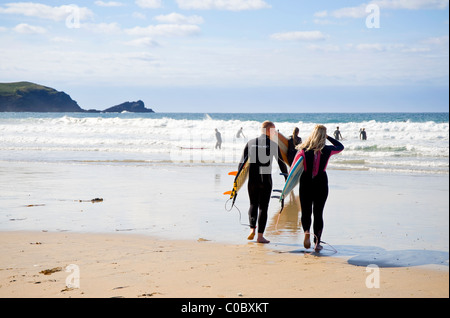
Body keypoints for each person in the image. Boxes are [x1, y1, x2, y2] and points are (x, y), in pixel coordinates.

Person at [238, 121, 288, 243]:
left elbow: (241, 164)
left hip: (253, 180)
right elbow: (281, 164)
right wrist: (287, 179)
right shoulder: (273, 144)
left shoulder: (250, 143)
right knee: (263, 207)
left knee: (253, 204)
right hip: (266, 180)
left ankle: (252, 229)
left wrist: (237, 181)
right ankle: (260, 236)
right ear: (268, 131)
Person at [296, 125, 344, 252]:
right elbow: (340, 147)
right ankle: (317, 243)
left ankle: (306, 232)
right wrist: (328, 137)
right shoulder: (327, 149)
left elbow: (294, 168)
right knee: (318, 213)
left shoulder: (303, 149)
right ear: (323, 136)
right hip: (321, 182)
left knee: (306, 211)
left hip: (305, 181)